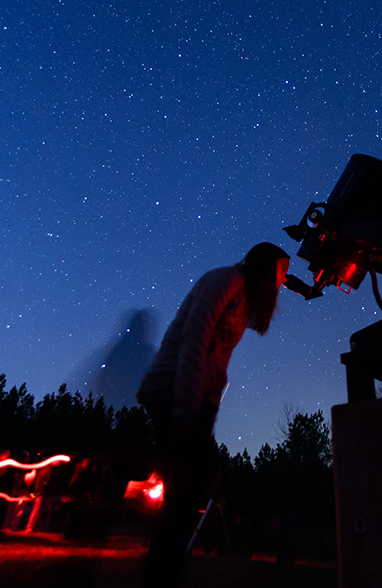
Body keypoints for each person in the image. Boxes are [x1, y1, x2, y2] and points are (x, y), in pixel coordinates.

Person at [137, 242, 290, 587]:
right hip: (173, 392)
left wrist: (206, 407)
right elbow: (195, 338)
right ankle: (161, 576)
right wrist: (187, 409)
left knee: (189, 494)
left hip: (193, 399)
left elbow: (219, 353)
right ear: (265, 270)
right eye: (282, 272)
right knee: (183, 495)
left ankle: (165, 573)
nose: (284, 281)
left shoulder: (243, 298)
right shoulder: (224, 280)